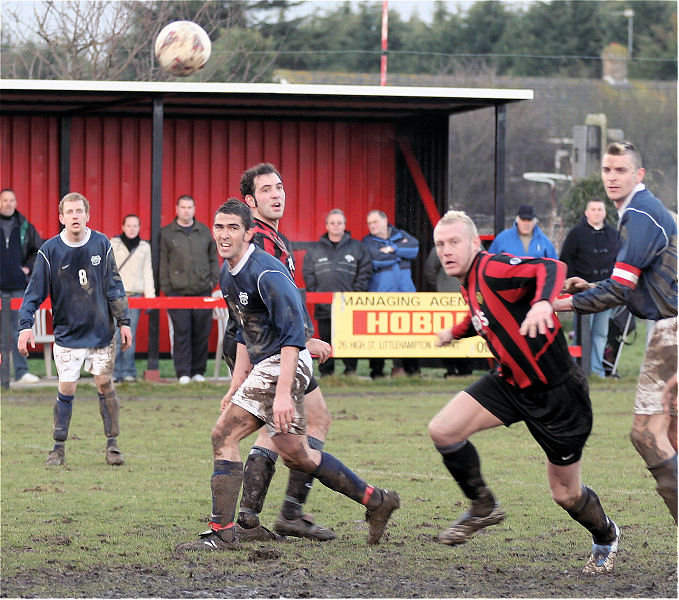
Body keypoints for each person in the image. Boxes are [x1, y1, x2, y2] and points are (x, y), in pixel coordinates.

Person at [176, 199, 400, 551]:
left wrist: (282, 393)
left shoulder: (266, 273)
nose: (224, 234)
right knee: (297, 454)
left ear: (250, 233)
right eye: (219, 227)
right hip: (269, 363)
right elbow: (242, 330)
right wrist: (236, 385)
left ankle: (222, 530)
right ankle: (376, 500)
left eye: (233, 227)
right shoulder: (227, 271)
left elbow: (295, 336)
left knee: (223, 435)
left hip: (285, 362)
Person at [429, 210, 619, 575]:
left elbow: (551, 267)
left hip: (557, 396)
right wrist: (454, 332)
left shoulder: (493, 267)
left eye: (454, 242)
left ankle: (606, 536)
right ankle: (483, 505)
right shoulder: (468, 281)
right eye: (440, 244)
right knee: (444, 430)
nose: (446, 251)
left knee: (565, 494)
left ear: (474, 243)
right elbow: (483, 314)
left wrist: (545, 302)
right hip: (509, 384)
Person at [553, 141, 677, 524]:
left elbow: (623, 290)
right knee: (670, 436)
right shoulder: (642, 212)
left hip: (673, 330)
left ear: (638, 174)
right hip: (671, 324)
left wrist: (559, 305)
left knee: (646, 436)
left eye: (620, 170)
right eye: (607, 169)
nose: (612, 177)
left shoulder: (639, 215)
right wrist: (590, 288)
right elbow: (637, 284)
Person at [222, 163, 335, 542]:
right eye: (267, 189)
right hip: (263, 347)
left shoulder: (274, 237)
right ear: (249, 201)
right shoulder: (261, 242)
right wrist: (302, 339)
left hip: (266, 344)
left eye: (280, 187)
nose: (277, 194)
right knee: (285, 427)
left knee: (304, 421)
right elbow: (265, 309)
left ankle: (268, 515)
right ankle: (272, 515)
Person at [17, 192, 131, 466]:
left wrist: (124, 321)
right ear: (61, 218)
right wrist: (25, 326)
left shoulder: (102, 244)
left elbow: (114, 285)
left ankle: (112, 444)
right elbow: (33, 293)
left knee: (104, 384)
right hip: (68, 334)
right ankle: (58, 447)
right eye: (69, 212)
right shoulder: (50, 251)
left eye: (79, 211)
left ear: (87, 215)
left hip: (101, 332)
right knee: (66, 388)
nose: (75, 216)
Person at [302, 209, 372, 376]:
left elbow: (365, 271)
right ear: (327, 225)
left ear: (344, 225)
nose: (336, 226)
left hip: (348, 305)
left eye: (339, 223)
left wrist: (356, 292)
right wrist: (315, 291)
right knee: (325, 339)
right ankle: (327, 373)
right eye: (332, 223)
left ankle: (351, 372)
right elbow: (308, 272)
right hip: (324, 306)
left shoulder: (357, 247)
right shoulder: (316, 248)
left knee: (348, 338)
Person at [159, 195, 219, 384]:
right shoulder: (167, 233)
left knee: (201, 332)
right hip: (177, 292)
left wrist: (212, 282)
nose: (186, 210)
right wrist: (167, 288)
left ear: (194, 209)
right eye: (183, 207)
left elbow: (213, 259)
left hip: (202, 291)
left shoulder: (204, 232)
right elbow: (162, 263)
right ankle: (183, 372)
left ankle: (198, 372)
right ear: (177, 209)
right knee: (181, 332)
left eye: (189, 207)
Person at [559, 199, 618, 378]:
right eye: (593, 209)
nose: (597, 212)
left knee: (601, 333)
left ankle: (597, 372)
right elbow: (566, 258)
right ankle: (578, 370)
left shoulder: (613, 234)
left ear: (605, 213)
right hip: (583, 292)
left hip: (606, 291)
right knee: (582, 333)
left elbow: (620, 259)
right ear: (586, 212)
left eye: (600, 209)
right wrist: (573, 284)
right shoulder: (575, 234)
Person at [362, 210, 420, 378]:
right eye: (369, 223)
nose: (372, 226)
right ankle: (377, 372)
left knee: (409, 335)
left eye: (375, 222)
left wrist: (392, 248)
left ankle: (412, 372)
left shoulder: (400, 235)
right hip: (381, 297)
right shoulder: (368, 241)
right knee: (378, 336)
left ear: (385, 221)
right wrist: (400, 254)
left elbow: (414, 248)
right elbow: (376, 258)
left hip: (406, 296)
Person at [0, 188, 44, 383]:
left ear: (16, 203)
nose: (8, 203)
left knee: (20, 329)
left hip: (18, 287)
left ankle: (21, 372)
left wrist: (26, 268)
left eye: (11, 200)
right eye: (4, 200)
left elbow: (39, 251)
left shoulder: (25, 226)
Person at [111, 214, 155, 383]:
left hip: (135, 297)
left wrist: (150, 298)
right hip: (116, 296)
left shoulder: (144, 247)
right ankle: (114, 372)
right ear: (123, 227)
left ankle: (128, 371)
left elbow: (147, 272)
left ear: (139, 228)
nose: (132, 229)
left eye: (135, 226)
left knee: (130, 335)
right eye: (128, 225)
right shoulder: (113, 244)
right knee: (115, 335)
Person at [423, 246, 473, 377]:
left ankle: (464, 371)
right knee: (446, 332)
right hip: (446, 300)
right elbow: (430, 271)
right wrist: (441, 287)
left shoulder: (472, 245)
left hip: (466, 298)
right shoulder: (438, 249)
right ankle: (450, 370)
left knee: (466, 333)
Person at [488, 204, 557, 258]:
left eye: (529, 220)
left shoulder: (544, 241)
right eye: (523, 220)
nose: (526, 224)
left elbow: (554, 264)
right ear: (517, 220)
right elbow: (489, 262)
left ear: (535, 222)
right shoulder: (502, 239)